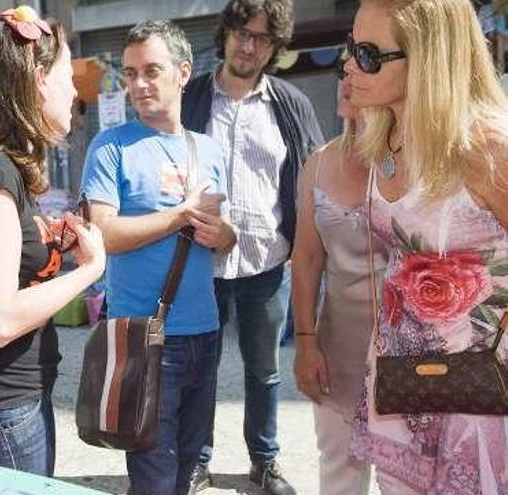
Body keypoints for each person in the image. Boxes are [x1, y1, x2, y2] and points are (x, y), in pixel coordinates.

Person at [344, 1, 508, 493]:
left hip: (477, 394)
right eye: (351, 49)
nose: (351, 65)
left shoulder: (485, 146)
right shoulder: (384, 137)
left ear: (430, 57)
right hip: (402, 382)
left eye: (370, 55)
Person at [0, 6, 106, 476]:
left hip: (3, 405)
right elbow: (1, 319)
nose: (74, 90)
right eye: (67, 75)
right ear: (38, 80)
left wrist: (49, 244)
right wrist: (89, 271)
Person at [83, 20, 236, 495]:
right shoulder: (111, 146)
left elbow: (221, 234)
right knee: (153, 478)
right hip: (145, 337)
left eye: (151, 70)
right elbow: (102, 234)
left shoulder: (206, 149)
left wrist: (225, 235)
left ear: (183, 72)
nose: (139, 84)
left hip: (205, 331)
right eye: (130, 74)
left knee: (189, 469)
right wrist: (179, 216)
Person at [181, 1, 323, 493]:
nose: (249, 45)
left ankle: (265, 461)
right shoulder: (190, 98)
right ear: (225, 35)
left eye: (262, 38)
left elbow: (312, 183)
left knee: (264, 373)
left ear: (275, 47)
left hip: (266, 267)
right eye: (242, 33)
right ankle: (196, 460)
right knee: (199, 370)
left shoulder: (291, 104)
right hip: (202, 266)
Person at [291, 73, 384, 495]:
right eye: (344, 71)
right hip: (336, 346)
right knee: (339, 469)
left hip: (409, 346)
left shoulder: (420, 161)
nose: (347, 81)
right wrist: (306, 342)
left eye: (363, 71)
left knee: (409, 475)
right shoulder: (319, 163)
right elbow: (306, 257)